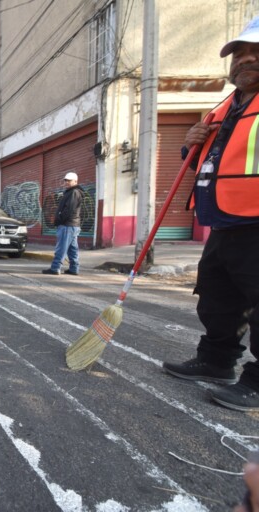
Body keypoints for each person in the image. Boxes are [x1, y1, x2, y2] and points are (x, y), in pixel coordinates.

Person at [162, 16, 259, 412]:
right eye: (239, 55)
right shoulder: (222, 110)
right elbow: (205, 162)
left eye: (255, 53)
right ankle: (216, 362)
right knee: (217, 299)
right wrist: (189, 143)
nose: (245, 61)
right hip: (224, 220)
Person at [42, 171, 84, 275]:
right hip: (72, 225)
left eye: (69, 181)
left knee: (61, 247)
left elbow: (69, 210)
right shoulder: (72, 192)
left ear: (75, 181)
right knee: (72, 249)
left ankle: (55, 267)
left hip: (67, 225)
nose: (66, 182)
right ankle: (74, 269)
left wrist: (59, 220)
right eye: (66, 180)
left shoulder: (74, 192)